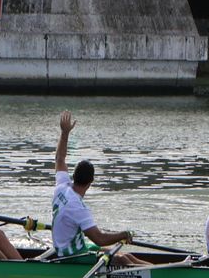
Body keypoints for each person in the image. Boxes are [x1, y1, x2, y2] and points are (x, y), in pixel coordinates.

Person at [50, 111, 148, 266]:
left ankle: (162, 269)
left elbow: (59, 158)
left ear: (73, 176)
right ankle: (162, 275)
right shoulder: (78, 206)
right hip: (70, 256)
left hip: (74, 247)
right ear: (91, 182)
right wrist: (123, 234)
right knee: (121, 260)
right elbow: (99, 238)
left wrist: (64, 132)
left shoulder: (62, 187)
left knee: (124, 255)